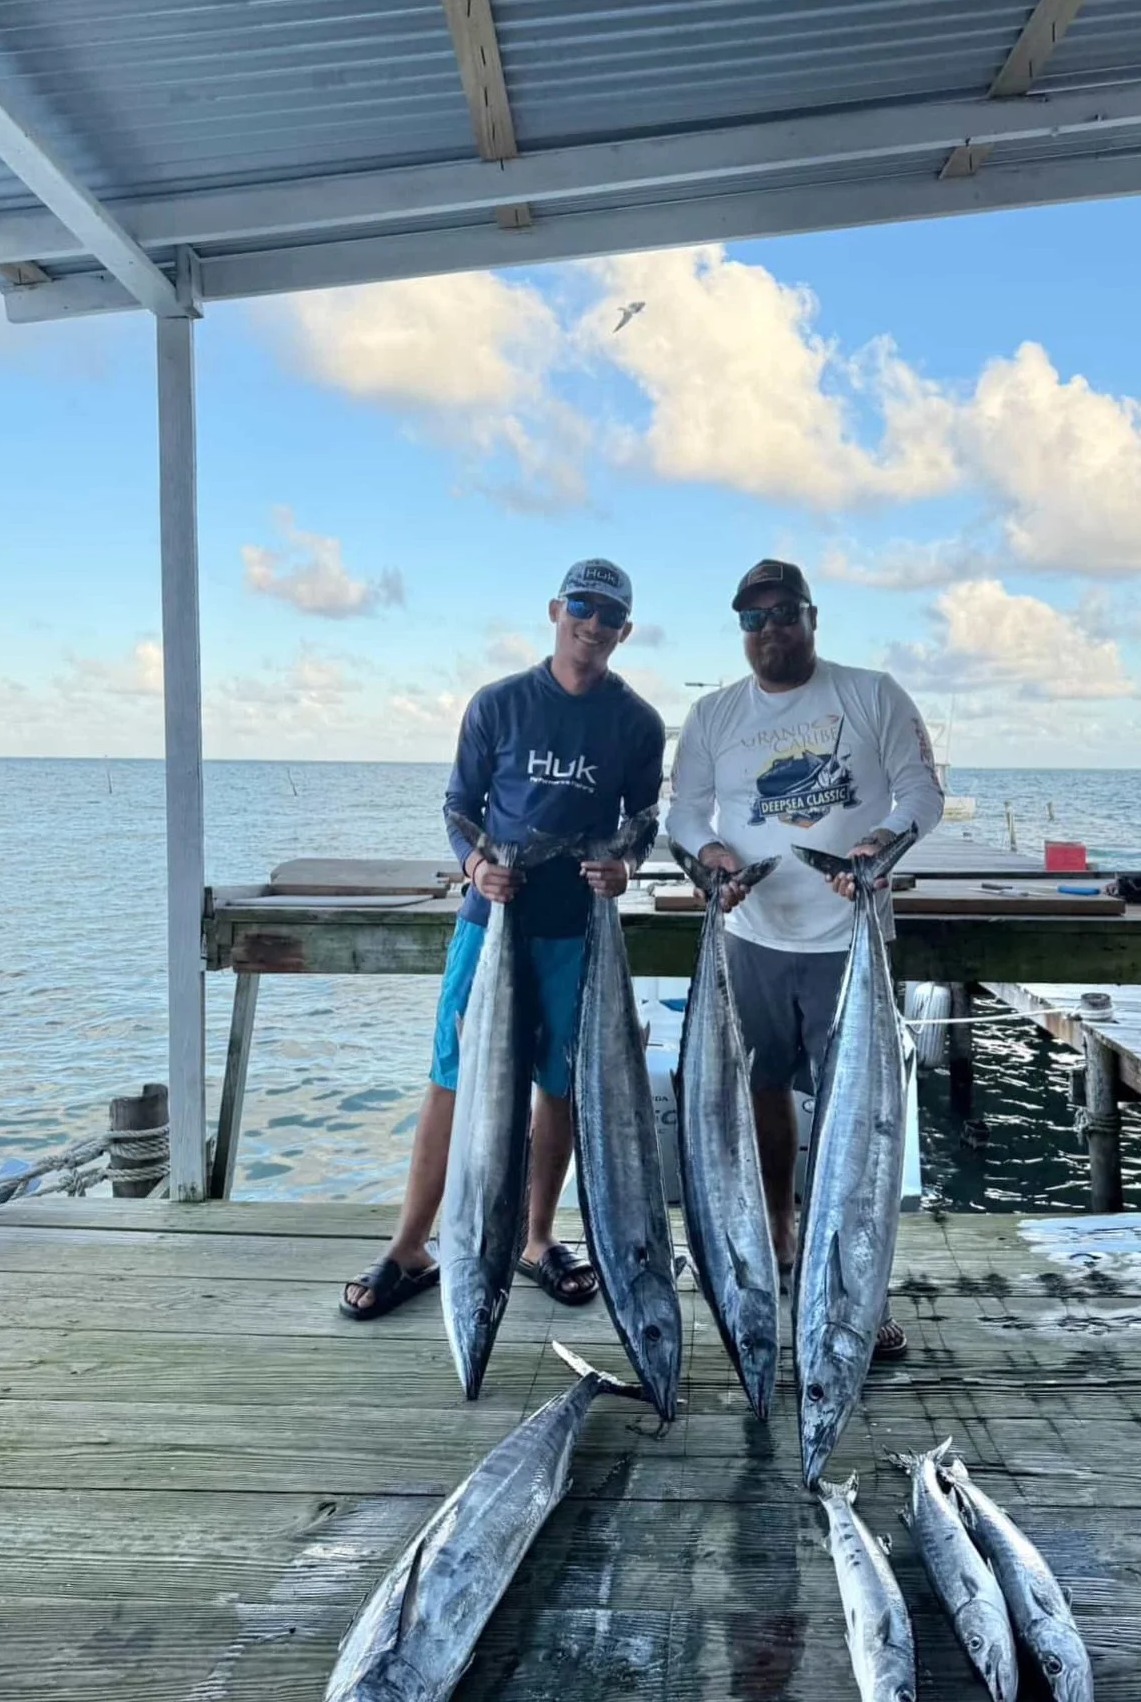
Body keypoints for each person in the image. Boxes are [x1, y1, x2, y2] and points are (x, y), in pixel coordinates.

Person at [342, 558, 664, 1319]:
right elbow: (459, 804)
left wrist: (624, 865)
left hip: (577, 932)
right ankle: (410, 1243)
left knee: (561, 1088)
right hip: (492, 926)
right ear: (555, 608)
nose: (592, 624)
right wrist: (477, 864)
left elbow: (645, 820)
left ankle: (535, 1236)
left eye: (609, 615)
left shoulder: (638, 722)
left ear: (626, 629)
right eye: (580, 607)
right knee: (452, 1080)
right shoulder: (499, 704)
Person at [665, 558, 944, 1358]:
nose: (769, 630)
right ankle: (781, 1236)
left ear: (813, 617)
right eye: (752, 620)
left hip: (850, 945)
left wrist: (881, 847)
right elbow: (684, 813)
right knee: (759, 1091)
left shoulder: (872, 693)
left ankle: (859, 1285)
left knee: (859, 1117)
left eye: (783, 613)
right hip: (752, 936)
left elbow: (920, 793)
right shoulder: (715, 714)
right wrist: (713, 852)